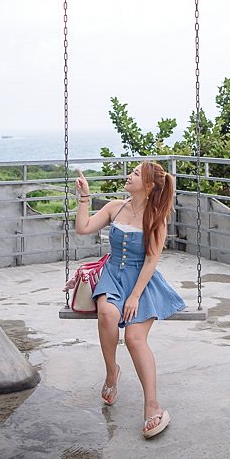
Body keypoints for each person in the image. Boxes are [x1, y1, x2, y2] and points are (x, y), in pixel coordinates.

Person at [75, 161, 185, 439]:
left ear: (148, 186)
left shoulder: (155, 216)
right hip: (113, 276)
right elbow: (83, 228)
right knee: (108, 314)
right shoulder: (116, 207)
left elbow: (151, 259)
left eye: (135, 174)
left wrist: (134, 296)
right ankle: (112, 373)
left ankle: (153, 405)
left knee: (136, 339)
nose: (129, 175)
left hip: (142, 283)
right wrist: (84, 197)